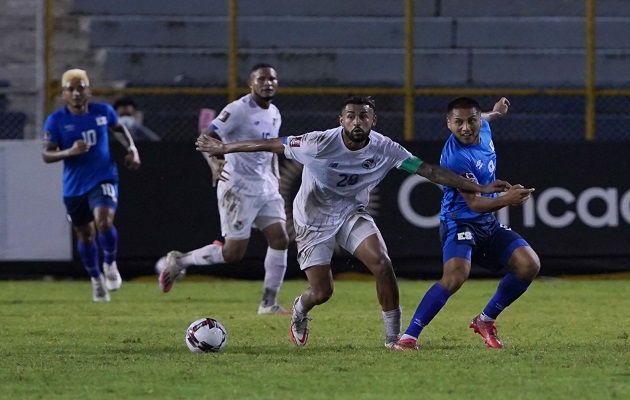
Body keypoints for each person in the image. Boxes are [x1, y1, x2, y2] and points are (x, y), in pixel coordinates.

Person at [194, 95, 510, 348]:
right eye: (351, 116)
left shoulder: (384, 147)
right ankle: (301, 309)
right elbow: (270, 143)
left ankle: (394, 339)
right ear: (341, 120)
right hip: (312, 219)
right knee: (323, 292)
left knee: (382, 263)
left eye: (364, 116)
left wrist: (479, 187)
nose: (357, 121)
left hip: (350, 213)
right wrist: (224, 148)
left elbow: (428, 170)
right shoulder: (317, 142)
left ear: (373, 121)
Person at [391, 97, 540, 351]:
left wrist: (496, 112)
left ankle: (485, 320)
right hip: (459, 222)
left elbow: (486, 118)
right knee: (456, 275)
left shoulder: (484, 125)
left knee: (529, 264)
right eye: (458, 122)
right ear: (448, 124)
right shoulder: (456, 159)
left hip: (487, 224)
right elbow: (474, 204)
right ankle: (408, 337)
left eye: (471, 120)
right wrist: (507, 199)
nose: (466, 128)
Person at [158, 63, 291, 315]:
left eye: (272, 79)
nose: (268, 83)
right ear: (251, 84)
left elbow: (272, 148)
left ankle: (268, 303)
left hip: (266, 188)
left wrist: (276, 180)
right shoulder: (237, 110)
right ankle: (180, 261)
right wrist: (213, 163)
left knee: (280, 238)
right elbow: (204, 137)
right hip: (237, 188)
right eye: (261, 79)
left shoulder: (274, 112)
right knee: (233, 254)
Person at [42, 69, 141, 302]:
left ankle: (109, 263)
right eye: (70, 89)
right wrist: (69, 152)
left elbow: (119, 129)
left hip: (103, 177)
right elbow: (46, 154)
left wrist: (132, 149)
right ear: (64, 94)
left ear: (89, 90)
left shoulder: (103, 111)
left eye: (80, 87)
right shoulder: (56, 120)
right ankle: (96, 279)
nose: (76, 93)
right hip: (74, 186)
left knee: (104, 221)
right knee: (86, 236)